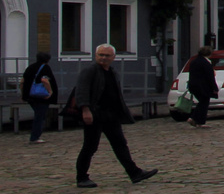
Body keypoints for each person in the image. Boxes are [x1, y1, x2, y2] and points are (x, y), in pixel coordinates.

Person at [74, 43, 157, 188]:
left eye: (107, 55)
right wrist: (85, 110)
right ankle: (81, 177)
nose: (103, 58)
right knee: (90, 146)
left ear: (113, 57)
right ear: (95, 55)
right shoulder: (90, 71)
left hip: (111, 115)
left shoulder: (112, 72)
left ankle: (134, 173)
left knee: (120, 144)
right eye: (100, 55)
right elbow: (82, 91)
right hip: (95, 114)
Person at [20, 51, 56, 144]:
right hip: (41, 96)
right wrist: (50, 91)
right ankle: (35, 137)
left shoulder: (30, 67)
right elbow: (44, 80)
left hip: (30, 96)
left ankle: (35, 135)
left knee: (38, 114)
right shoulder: (45, 68)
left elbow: (22, 82)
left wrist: (23, 93)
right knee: (40, 116)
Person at [185, 46, 217, 128]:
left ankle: (198, 121)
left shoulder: (193, 61)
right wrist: (215, 88)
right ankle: (195, 119)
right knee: (204, 103)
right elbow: (210, 77)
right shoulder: (206, 63)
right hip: (203, 86)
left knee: (202, 102)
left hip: (193, 85)